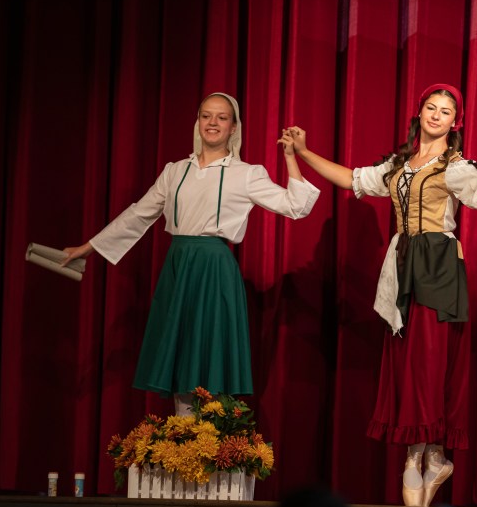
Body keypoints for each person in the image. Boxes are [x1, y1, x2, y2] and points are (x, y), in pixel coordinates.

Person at [282, 84, 477, 506]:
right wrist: (304, 152)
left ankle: (420, 454)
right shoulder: (398, 165)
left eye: (445, 111)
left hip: (438, 264)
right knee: (408, 360)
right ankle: (429, 455)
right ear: (419, 113)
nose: (436, 115)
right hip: (404, 264)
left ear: (456, 122)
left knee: (430, 358)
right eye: (431, 107)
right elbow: (351, 178)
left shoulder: (456, 167)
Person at [62, 93, 320, 415]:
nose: (213, 123)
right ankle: (184, 437)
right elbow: (139, 214)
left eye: (222, 117)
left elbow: (296, 206)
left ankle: (211, 437)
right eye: (206, 116)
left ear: (234, 127)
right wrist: (88, 248)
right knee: (181, 355)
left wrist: (291, 157)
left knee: (210, 355)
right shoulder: (175, 171)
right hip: (179, 266)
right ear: (197, 123)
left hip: (214, 269)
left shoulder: (247, 173)